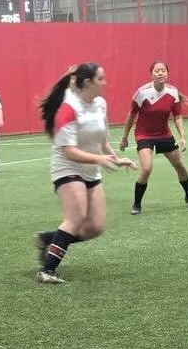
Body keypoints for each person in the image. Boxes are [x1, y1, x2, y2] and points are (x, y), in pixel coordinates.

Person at [33, 63, 135, 285]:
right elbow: (68, 151)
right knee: (76, 218)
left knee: (94, 228)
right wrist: (100, 159)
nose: (105, 82)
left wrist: (115, 158)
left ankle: (50, 240)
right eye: (101, 79)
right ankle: (47, 271)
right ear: (87, 82)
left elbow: (103, 138)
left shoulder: (100, 103)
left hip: (91, 169)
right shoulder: (68, 108)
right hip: (67, 167)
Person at [119, 61, 188, 215]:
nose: (160, 73)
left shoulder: (173, 92)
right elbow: (131, 115)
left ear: (167, 73)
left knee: (180, 166)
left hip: (164, 134)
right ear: (152, 74)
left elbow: (177, 116)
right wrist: (124, 137)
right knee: (147, 168)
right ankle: (137, 204)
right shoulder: (142, 92)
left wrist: (182, 136)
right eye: (157, 71)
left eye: (163, 70)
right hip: (144, 135)